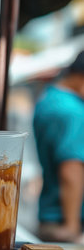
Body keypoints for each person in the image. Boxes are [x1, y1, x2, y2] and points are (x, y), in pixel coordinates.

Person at [33, 50, 84, 243]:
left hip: (50, 217)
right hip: (68, 223)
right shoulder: (73, 112)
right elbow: (71, 168)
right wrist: (72, 227)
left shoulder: (49, 98)